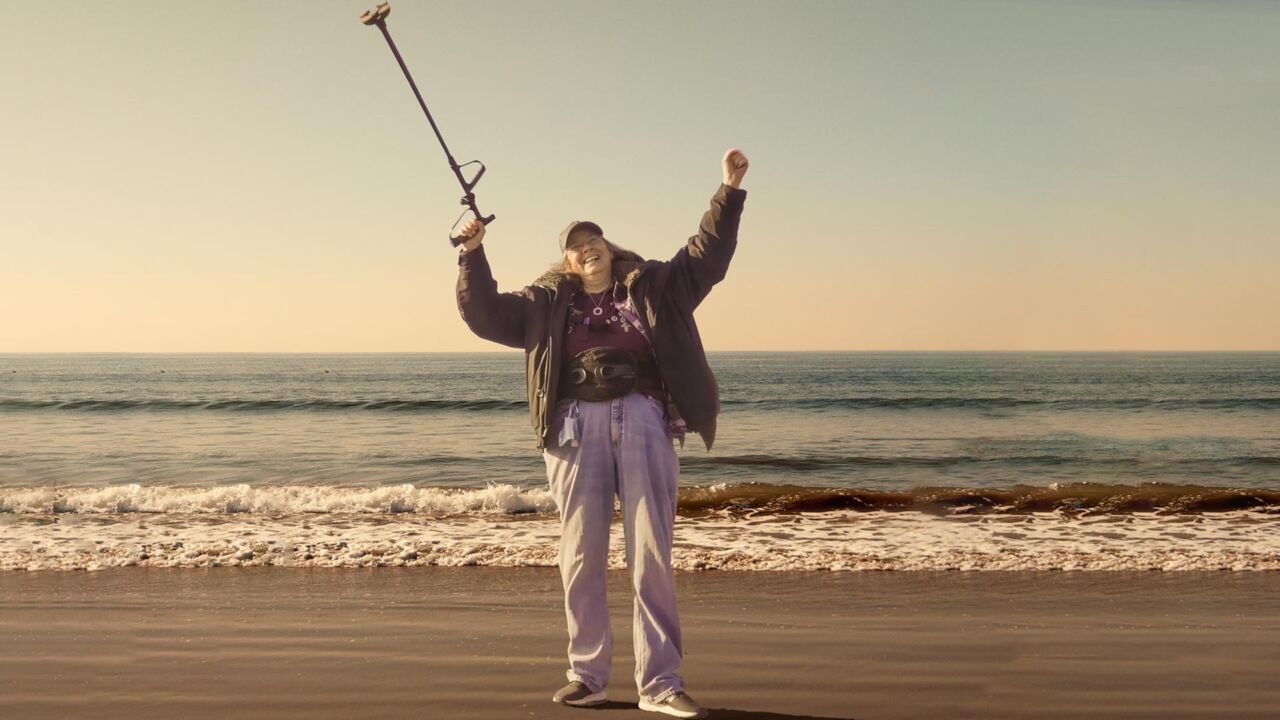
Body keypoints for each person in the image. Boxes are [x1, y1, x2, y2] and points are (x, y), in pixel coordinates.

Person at [455, 148, 749, 719]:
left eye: (593, 238)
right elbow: (483, 313)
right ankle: (587, 676)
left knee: (651, 555)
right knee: (580, 555)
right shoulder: (543, 304)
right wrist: (472, 253)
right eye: (574, 244)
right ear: (567, 261)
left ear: (609, 248)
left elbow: (707, 257)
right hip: (573, 424)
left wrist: (728, 189)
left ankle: (660, 684)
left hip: (643, 415)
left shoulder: (658, 284)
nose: (585, 247)